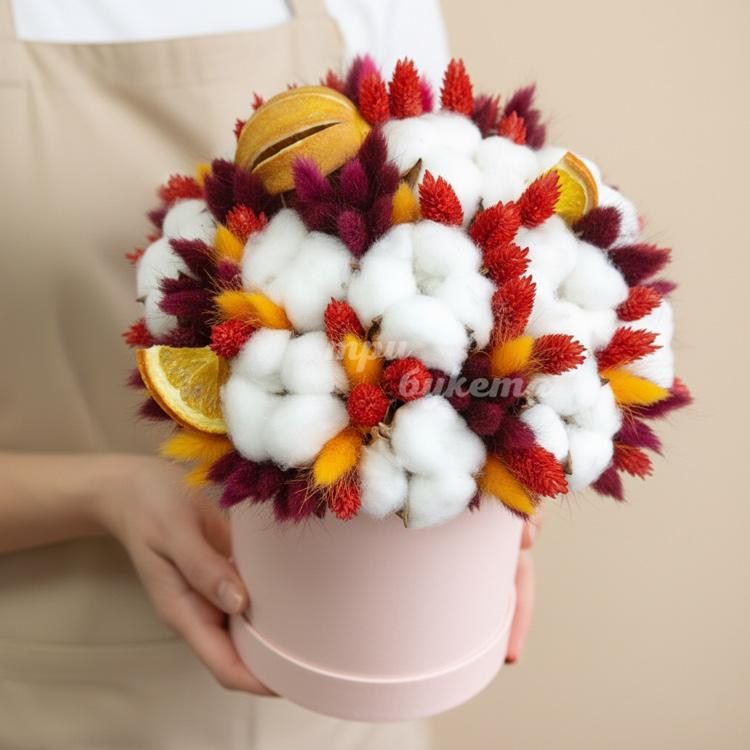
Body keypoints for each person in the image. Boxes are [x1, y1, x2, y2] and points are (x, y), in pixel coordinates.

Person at [0, 1, 538, 746]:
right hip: (62, 689)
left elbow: (465, 243)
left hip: (352, 697)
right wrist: (107, 494)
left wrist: (504, 484)